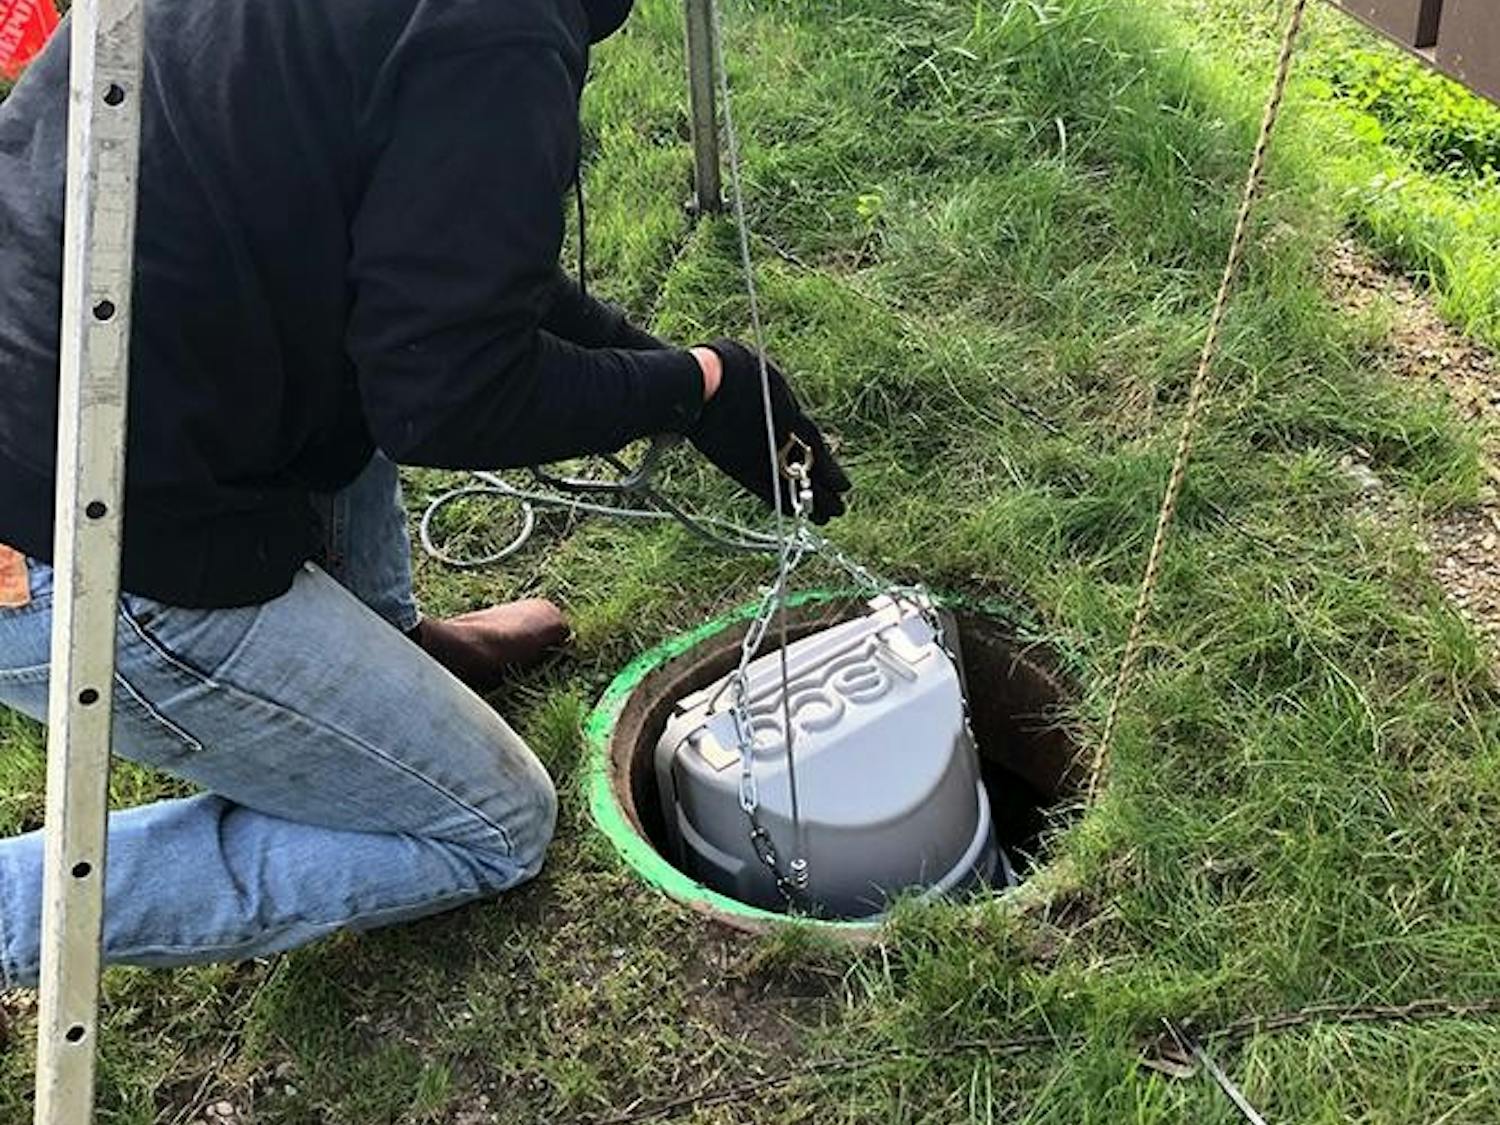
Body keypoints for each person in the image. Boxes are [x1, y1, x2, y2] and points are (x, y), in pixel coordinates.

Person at [0, 0, 850, 988]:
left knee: (366, 334)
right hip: (73, 537)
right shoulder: (502, 25)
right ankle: (18, 904)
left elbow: (439, 271)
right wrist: (696, 385)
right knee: (495, 823)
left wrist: (670, 373)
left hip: (108, 370)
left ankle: (389, 653)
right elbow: (446, 394)